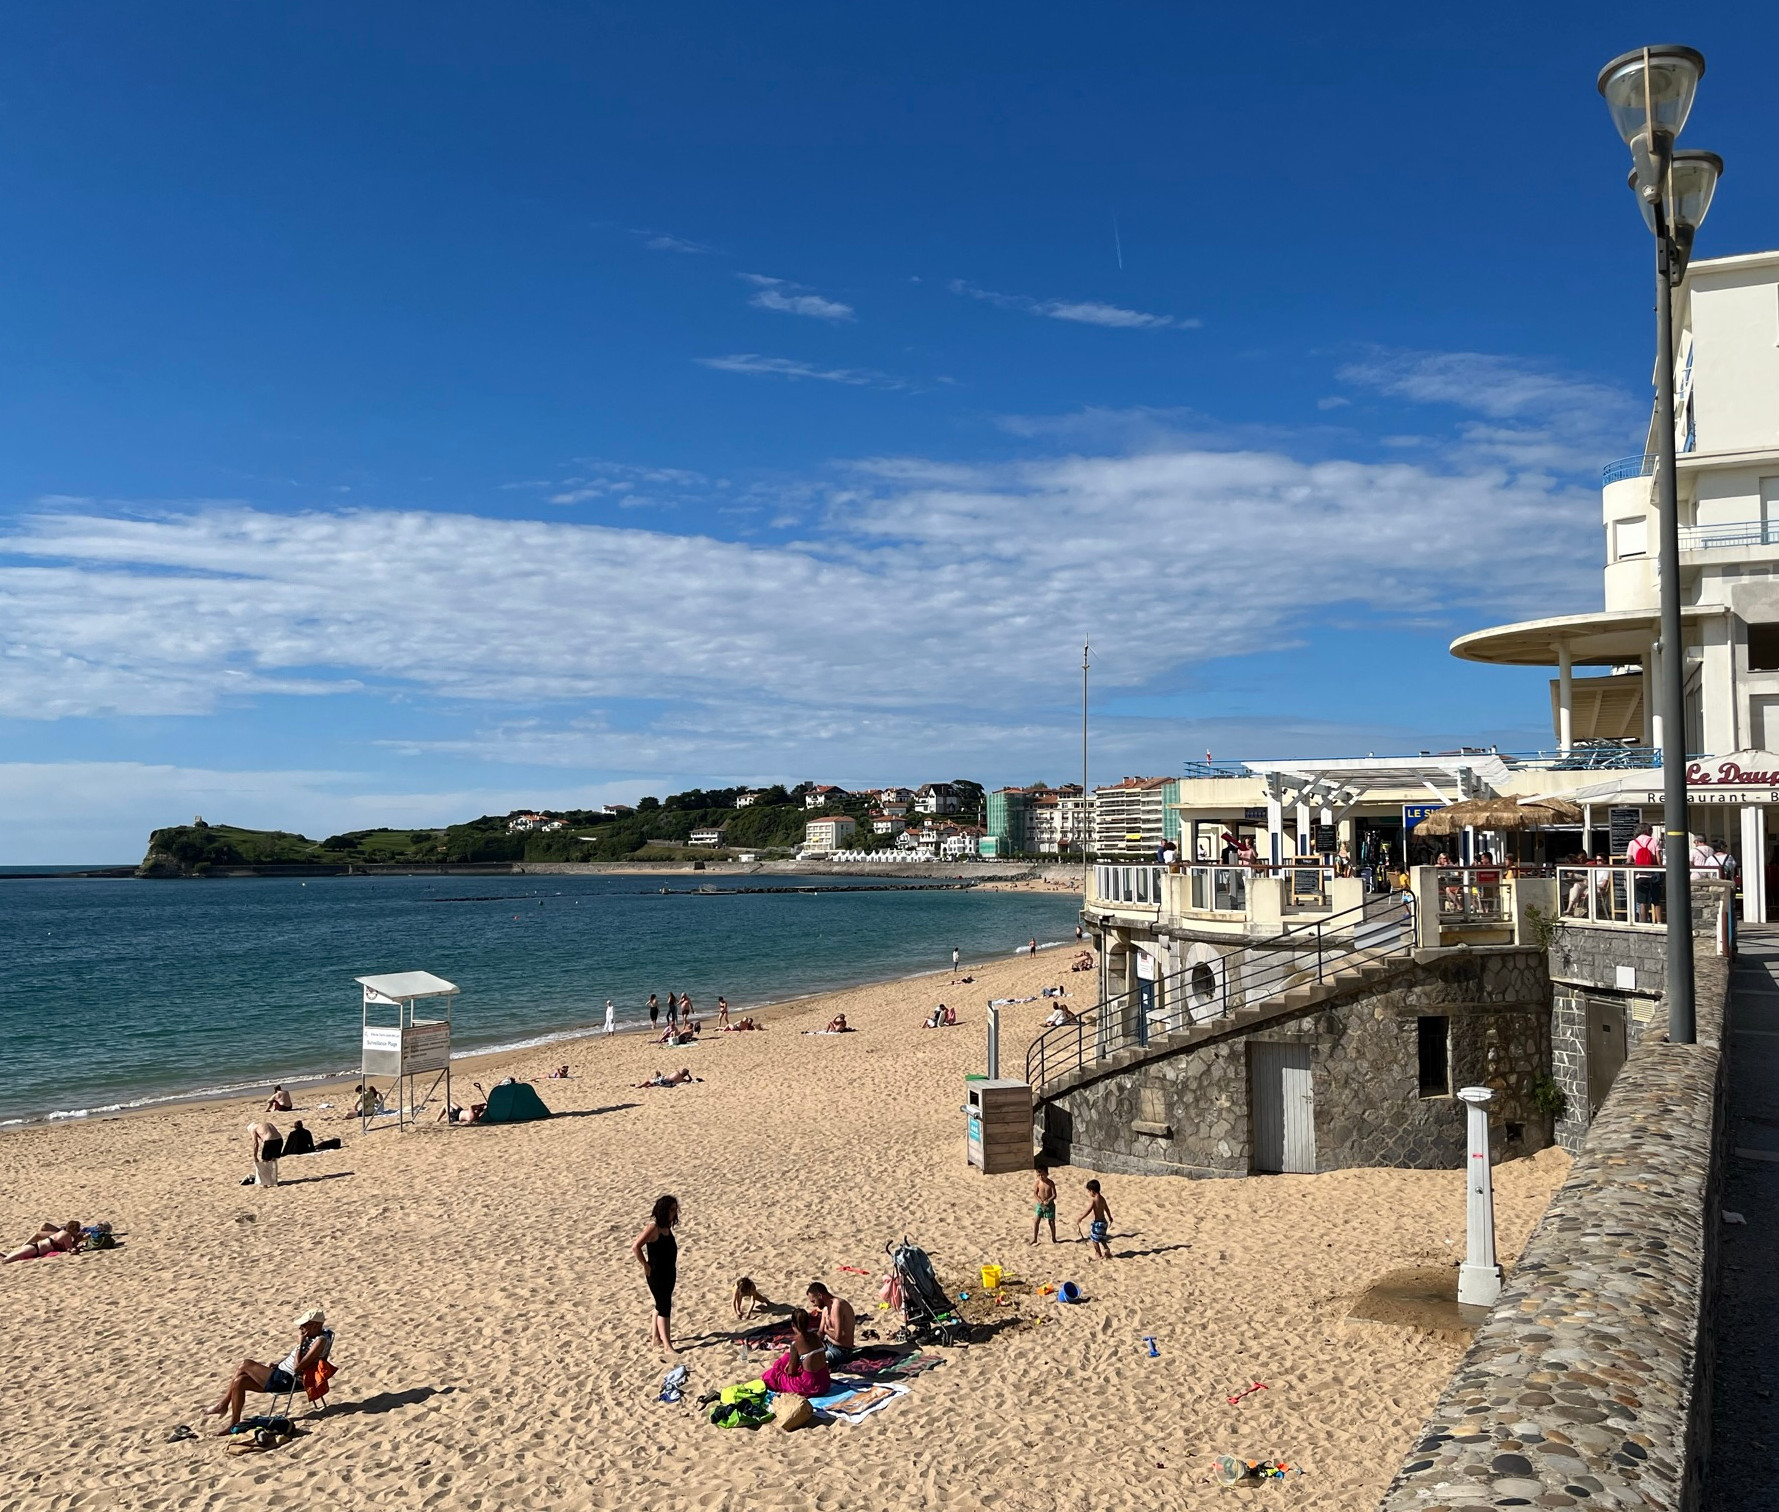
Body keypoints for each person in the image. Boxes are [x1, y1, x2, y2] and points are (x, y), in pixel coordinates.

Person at [204, 1308, 333, 1435]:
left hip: (289, 1380)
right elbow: (293, 1358)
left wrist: (300, 1344)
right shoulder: (312, 1335)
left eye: (304, 1325)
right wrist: (279, 1364)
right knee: (240, 1381)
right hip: (281, 1374)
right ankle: (234, 1422)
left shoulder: (320, 1341)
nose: (301, 1328)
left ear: (315, 1325)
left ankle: (223, 1404)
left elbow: (297, 1368)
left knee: (245, 1364)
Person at [633, 1195, 680, 1356]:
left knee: (660, 1304)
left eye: (675, 1209)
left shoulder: (666, 1227)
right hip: (656, 1274)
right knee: (664, 1307)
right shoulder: (653, 1228)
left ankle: (656, 1338)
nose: (674, 1213)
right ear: (663, 1210)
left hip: (669, 1272)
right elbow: (636, 1247)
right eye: (671, 1209)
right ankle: (667, 1345)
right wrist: (645, 1264)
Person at [760, 1308, 831, 1398]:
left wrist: (787, 1369)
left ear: (793, 1324)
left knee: (772, 1375)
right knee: (787, 1358)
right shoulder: (815, 1337)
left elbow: (791, 1371)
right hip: (825, 1381)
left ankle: (776, 1369)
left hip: (811, 1386)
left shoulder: (796, 1343)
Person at [806, 1282, 855, 1367]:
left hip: (841, 1349)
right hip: (827, 1343)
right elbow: (820, 1333)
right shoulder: (825, 1309)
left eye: (813, 1301)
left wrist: (826, 1330)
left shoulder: (837, 1305)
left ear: (820, 1296)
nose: (814, 1304)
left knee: (814, 1363)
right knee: (802, 1356)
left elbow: (837, 1336)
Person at [3, 1219, 82, 1263]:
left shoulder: (62, 1233)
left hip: (35, 1248)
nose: (78, 1232)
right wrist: (78, 1240)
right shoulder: (66, 1235)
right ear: (73, 1229)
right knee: (7, 1260)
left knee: (9, 1257)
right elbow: (70, 1249)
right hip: (35, 1249)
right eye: (77, 1230)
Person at [1076, 1178, 1113, 1259]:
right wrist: (1110, 1217)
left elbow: (1088, 1210)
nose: (1089, 1193)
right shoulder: (1102, 1199)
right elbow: (1107, 1209)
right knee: (1102, 1238)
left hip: (1097, 1223)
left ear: (1092, 1191)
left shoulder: (1094, 1200)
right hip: (1104, 1222)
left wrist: (1081, 1218)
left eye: (1089, 1191)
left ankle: (1098, 1253)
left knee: (1094, 1240)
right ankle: (1106, 1249)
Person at [247, 1121, 283, 1188]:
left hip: (270, 1140)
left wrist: (255, 1156)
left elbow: (255, 1143)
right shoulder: (266, 1124)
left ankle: (265, 1183)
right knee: (273, 1160)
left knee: (265, 1162)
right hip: (279, 1140)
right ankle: (273, 1181)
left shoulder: (253, 1129)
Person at [1031, 1162, 1059, 1245]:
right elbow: (1035, 1193)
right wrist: (1040, 1201)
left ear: (1047, 1174)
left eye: (1042, 1175)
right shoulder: (1038, 1183)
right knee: (1036, 1221)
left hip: (1049, 1204)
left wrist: (1049, 1200)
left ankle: (1054, 1238)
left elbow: (1054, 1195)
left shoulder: (1050, 1183)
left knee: (1051, 1222)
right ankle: (1035, 1238)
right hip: (1040, 1204)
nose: (1041, 1177)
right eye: (1039, 1175)